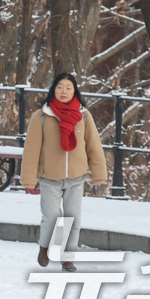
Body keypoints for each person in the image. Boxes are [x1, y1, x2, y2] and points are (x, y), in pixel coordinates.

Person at [20, 72, 107, 272]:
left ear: (74, 90)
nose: (64, 91)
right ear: (53, 90)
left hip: (76, 176)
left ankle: (67, 258)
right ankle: (44, 247)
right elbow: (32, 150)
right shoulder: (41, 116)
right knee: (51, 216)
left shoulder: (84, 116)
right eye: (59, 87)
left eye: (68, 87)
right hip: (50, 176)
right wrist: (28, 179)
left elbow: (93, 145)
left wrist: (98, 173)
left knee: (72, 217)